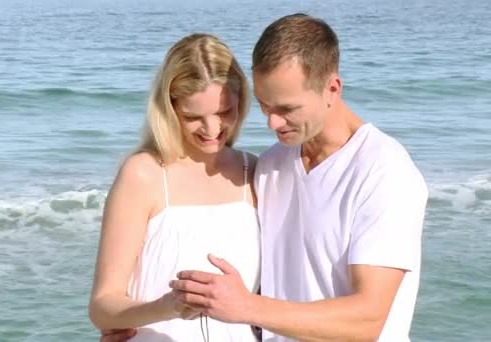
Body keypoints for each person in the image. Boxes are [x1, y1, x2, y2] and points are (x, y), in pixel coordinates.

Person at [102, 13, 428, 342]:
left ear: (332, 88)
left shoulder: (384, 171)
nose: (272, 123)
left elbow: (367, 320)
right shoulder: (271, 165)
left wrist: (245, 307)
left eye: (286, 109)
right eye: (263, 105)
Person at [88, 33, 261, 341]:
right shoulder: (143, 174)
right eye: (193, 116)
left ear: (242, 100)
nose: (212, 130)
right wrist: (166, 307)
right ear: (169, 108)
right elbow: (103, 307)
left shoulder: (256, 173)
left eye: (225, 112)